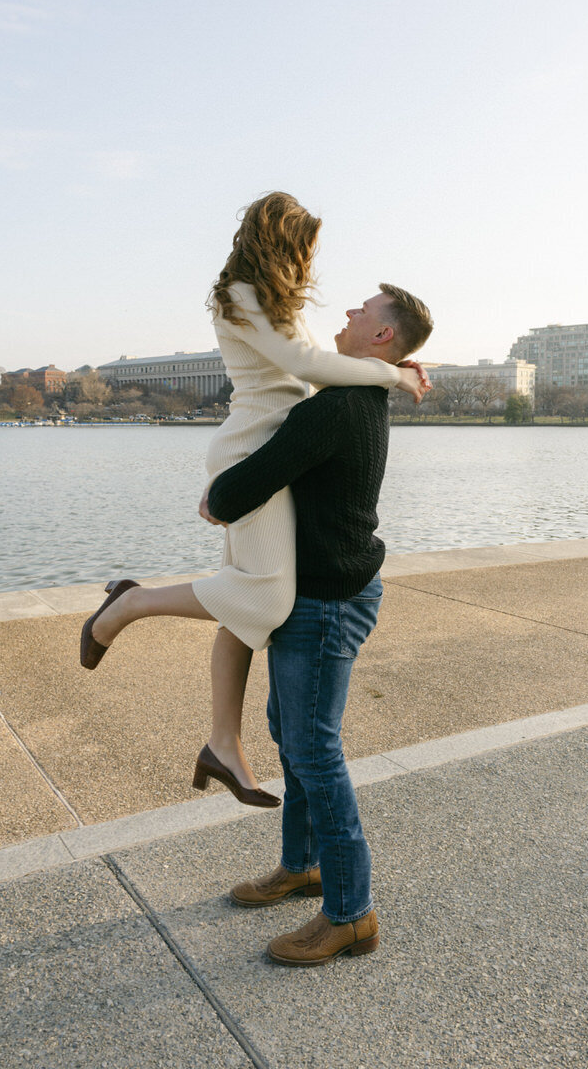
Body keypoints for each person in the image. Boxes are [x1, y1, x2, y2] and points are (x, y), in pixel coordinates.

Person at [80, 193, 429, 807]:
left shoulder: (276, 301)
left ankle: (223, 743)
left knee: (247, 599)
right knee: (265, 596)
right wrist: (391, 373)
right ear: (282, 240)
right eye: (307, 246)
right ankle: (128, 605)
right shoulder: (242, 294)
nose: (312, 259)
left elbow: (317, 370)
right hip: (252, 449)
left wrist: (389, 368)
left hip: (279, 446)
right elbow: (302, 363)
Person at [200, 283, 434, 966]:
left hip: (329, 602)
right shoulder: (355, 397)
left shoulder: (333, 410)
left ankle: (350, 913)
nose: (350, 313)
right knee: (291, 733)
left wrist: (217, 496)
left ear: (383, 337)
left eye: (364, 310)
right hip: (330, 593)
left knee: (313, 748)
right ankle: (302, 865)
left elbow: (245, 486)